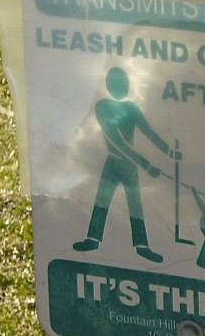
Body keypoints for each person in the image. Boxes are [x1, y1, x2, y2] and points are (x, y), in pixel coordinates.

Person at [72, 65, 177, 263]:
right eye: (116, 82)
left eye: (123, 83)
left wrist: (170, 152)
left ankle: (142, 246)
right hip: (114, 162)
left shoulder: (132, 108)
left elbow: (150, 133)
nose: (121, 86)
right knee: (102, 201)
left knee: (136, 206)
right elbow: (117, 143)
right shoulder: (102, 106)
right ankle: (93, 239)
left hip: (130, 167)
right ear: (109, 84)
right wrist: (147, 165)